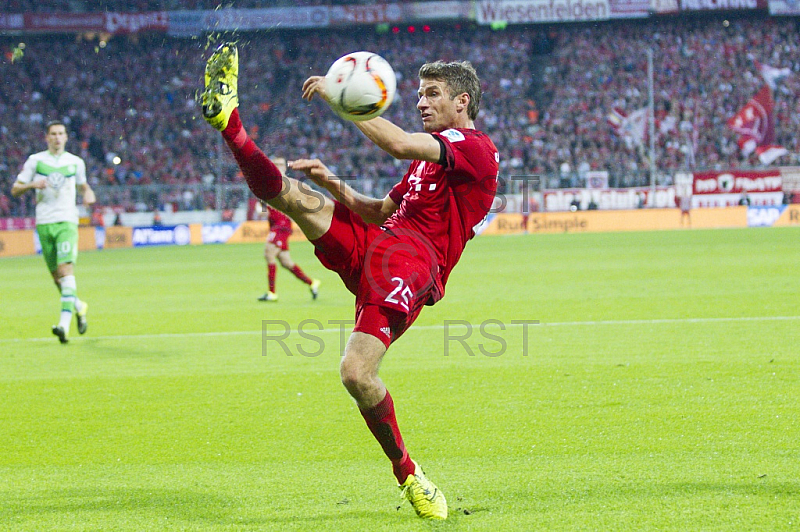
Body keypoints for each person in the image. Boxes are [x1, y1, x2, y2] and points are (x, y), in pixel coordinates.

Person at [201, 43, 498, 520]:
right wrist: (332, 182)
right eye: (419, 94)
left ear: (462, 101)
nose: (421, 102)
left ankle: (409, 475)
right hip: (381, 242)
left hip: (410, 262)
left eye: (432, 94)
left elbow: (398, 141)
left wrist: (340, 98)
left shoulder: (475, 150)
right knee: (295, 196)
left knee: (356, 373)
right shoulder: (426, 164)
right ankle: (230, 124)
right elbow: (382, 211)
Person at [11, 120, 95, 344]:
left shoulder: (75, 162)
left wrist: (88, 194)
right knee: (58, 279)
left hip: (66, 221)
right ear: (47, 137)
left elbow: (83, 185)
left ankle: (63, 326)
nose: (57, 137)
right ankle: (79, 306)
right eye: (53, 134)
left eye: (61, 133)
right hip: (44, 222)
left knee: (66, 271)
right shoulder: (36, 161)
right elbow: (15, 189)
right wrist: (32, 185)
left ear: (66, 137)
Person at [257, 156, 321, 302]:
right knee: (285, 261)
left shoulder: (286, 183)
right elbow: (263, 204)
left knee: (269, 254)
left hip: (281, 226)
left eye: (281, 164)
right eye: (275, 164)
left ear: (285, 167)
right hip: (275, 224)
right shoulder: (269, 182)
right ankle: (312, 283)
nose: (278, 166)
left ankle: (272, 292)